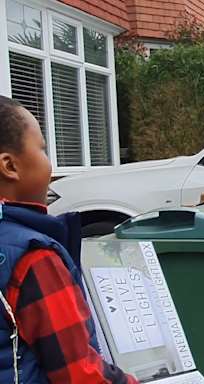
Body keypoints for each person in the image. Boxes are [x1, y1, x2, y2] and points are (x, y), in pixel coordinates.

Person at [0, 96, 137, 384]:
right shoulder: (34, 258)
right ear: (9, 166)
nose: (49, 165)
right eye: (41, 149)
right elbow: (80, 375)